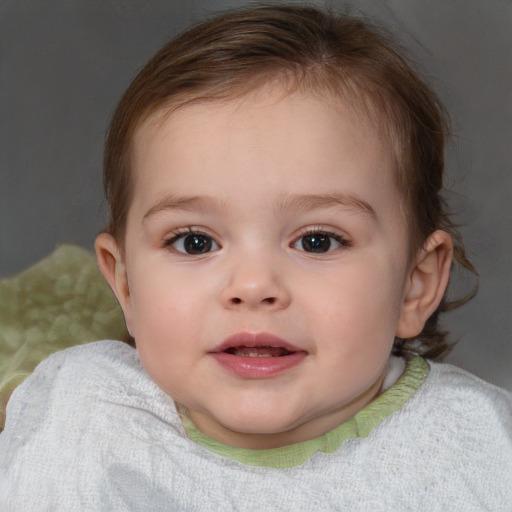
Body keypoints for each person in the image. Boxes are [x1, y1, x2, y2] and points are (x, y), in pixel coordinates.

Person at [1, 5, 510, 510]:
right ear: (127, 285)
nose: (252, 284)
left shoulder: (477, 448)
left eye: (318, 241)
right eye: (194, 242)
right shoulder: (86, 419)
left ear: (414, 285)